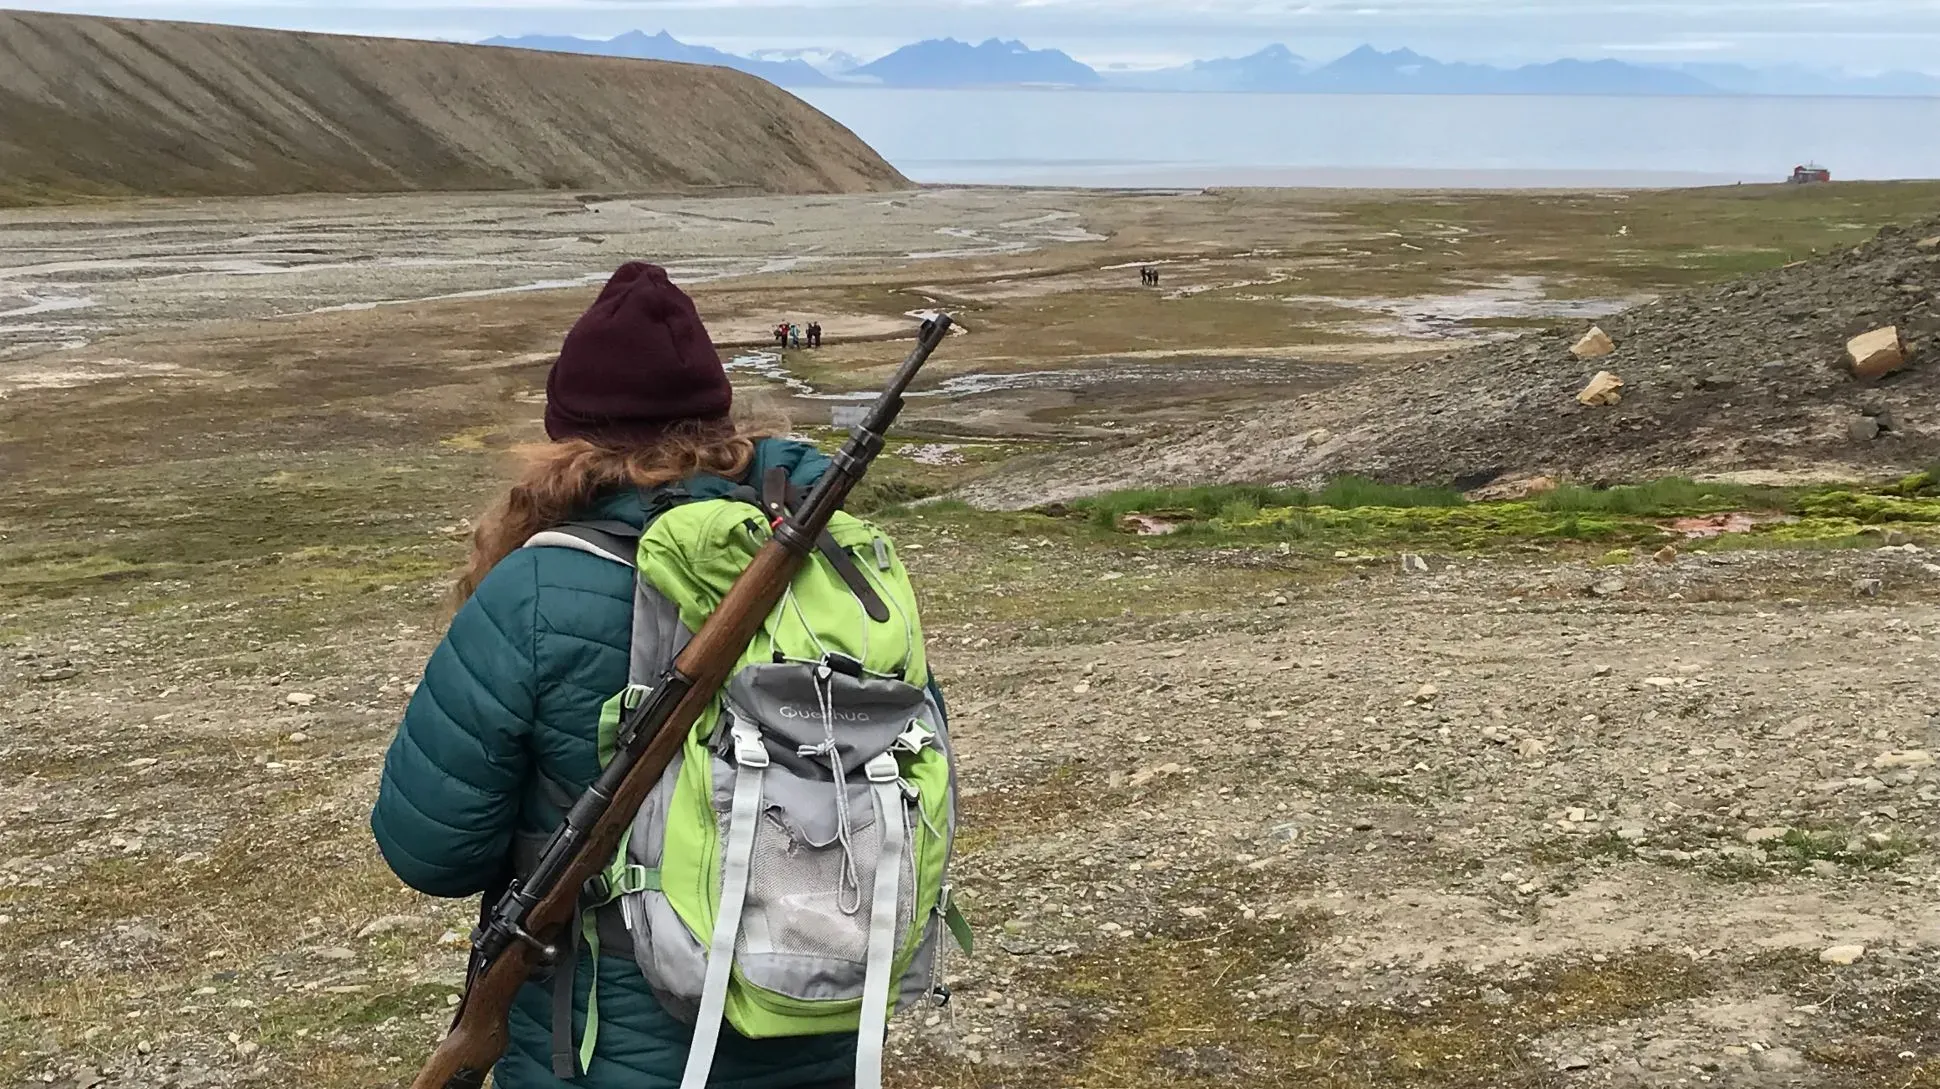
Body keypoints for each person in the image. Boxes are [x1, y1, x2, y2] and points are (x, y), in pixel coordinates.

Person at [370, 262, 895, 1089]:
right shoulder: (836, 571)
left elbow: (430, 848)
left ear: (570, 435)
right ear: (721, 419)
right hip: (817, 1018)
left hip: (599, 1052)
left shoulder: (534, 591)